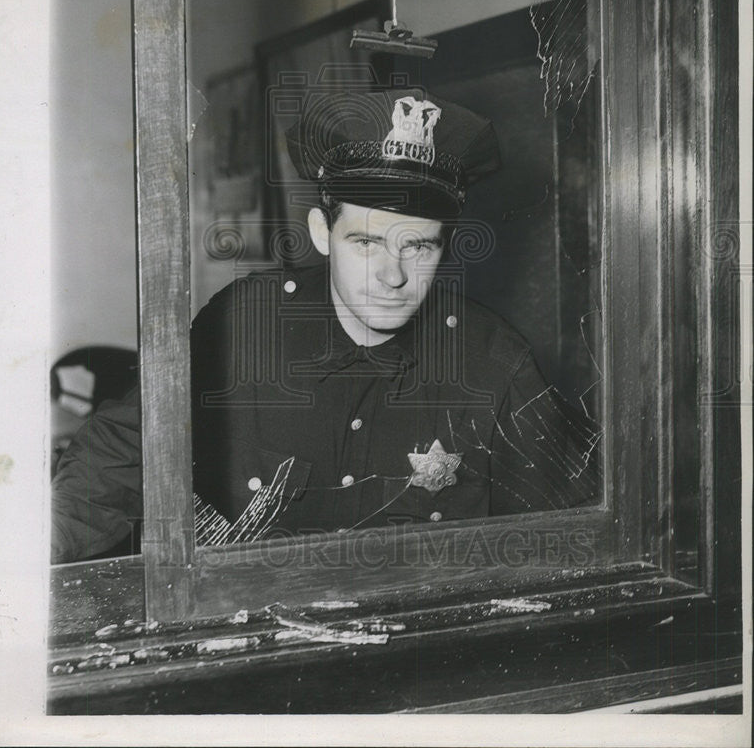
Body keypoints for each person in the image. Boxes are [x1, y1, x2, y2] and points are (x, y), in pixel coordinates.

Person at [51, 88, 596, 562]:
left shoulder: (493, 361)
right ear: (320, 233)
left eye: (418, 246)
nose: (393, 275)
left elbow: (575, 533)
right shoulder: (247, 322)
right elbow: (118, 460)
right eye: (365, 242)